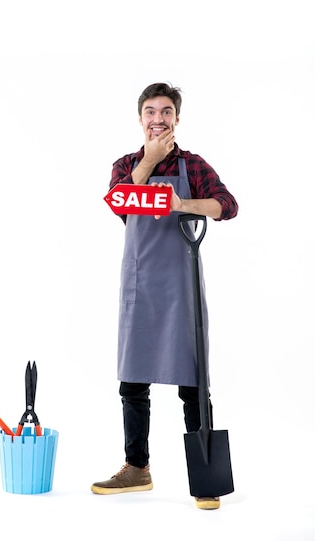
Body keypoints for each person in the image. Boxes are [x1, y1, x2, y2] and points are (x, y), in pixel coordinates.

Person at [91, 82, 238, 510]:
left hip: (181, 282)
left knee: (194, 382)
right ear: (141, 118)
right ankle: (137, 468)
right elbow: (120, 201)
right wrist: (151, 161)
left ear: (177, 118)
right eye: (151, 111)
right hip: (139, 282)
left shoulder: (193, 166)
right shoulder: (125, 165)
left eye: (167, 111)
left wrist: (182, 205)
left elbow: (226, 205)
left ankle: (203, 478)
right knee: (132, 380)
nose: (159, 118)